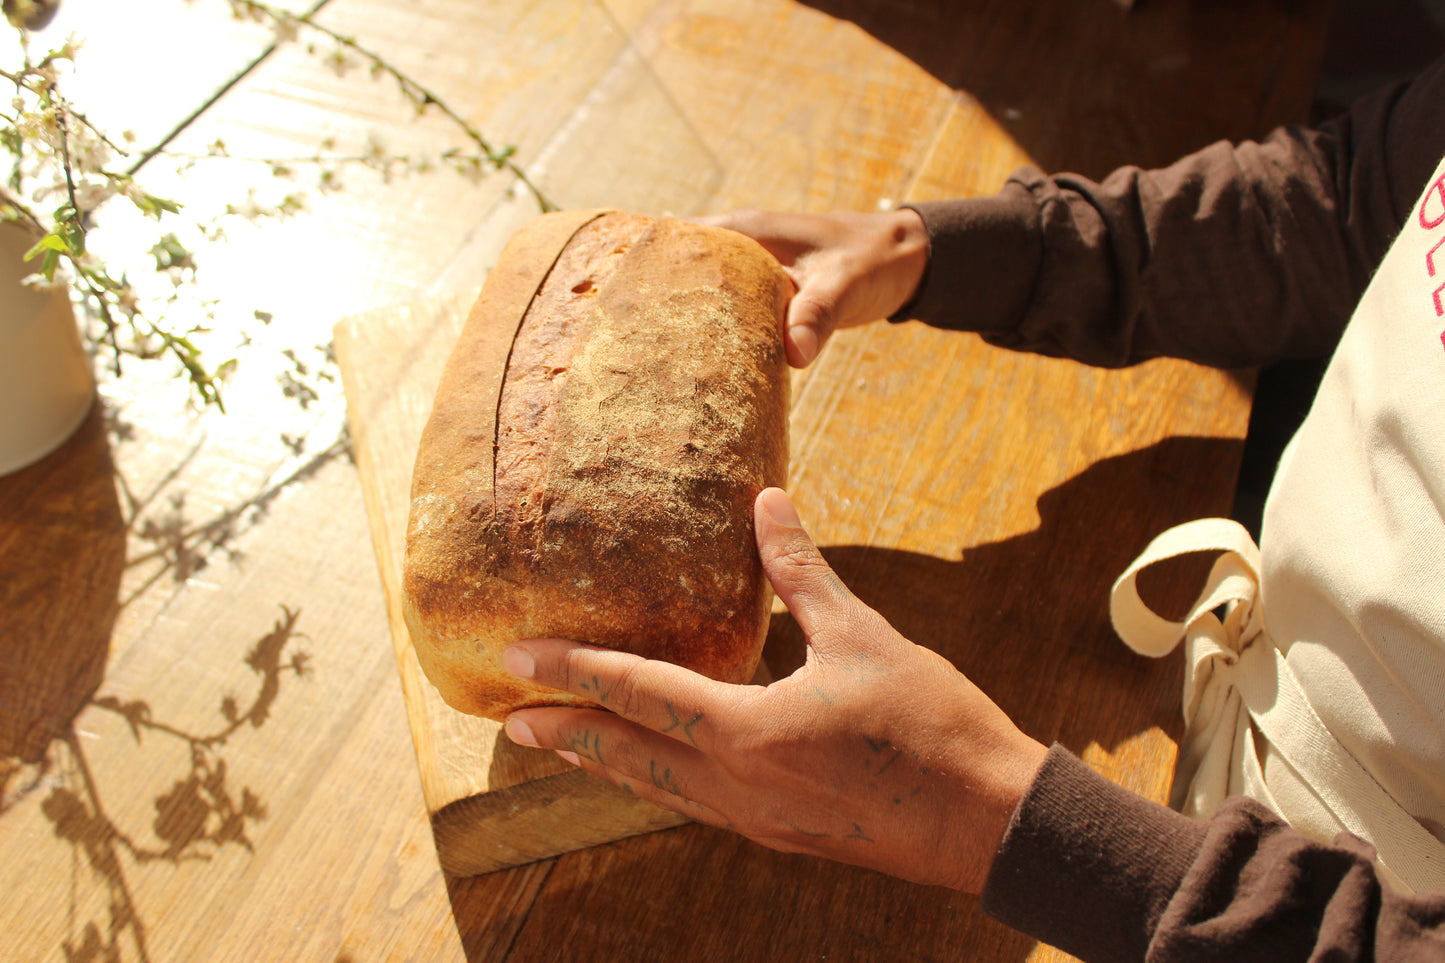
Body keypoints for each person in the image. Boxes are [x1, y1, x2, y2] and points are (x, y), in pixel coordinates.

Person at [501, 53, 1445, 960]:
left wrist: (998, 817)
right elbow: (1353, 197)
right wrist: (945, 249)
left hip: (1265, 893)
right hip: (1202, 704)